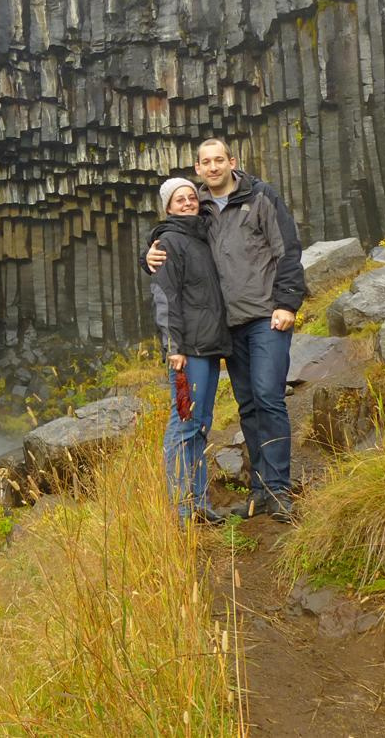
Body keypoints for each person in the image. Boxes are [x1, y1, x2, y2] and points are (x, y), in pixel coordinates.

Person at [145, 139, 306, 522]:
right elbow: (173, 239)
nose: (213, 166)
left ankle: (279, 489)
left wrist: (287, 303)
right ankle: (260, 491)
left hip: (266, 315)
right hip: (228, 326)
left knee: (268, 397)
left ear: (232, 162)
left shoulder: (260, 195)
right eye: (206, 162)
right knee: (248, 404)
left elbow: (288, 248)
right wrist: (146, 253)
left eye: (220, 159)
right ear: (198, 168)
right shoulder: (199, 209)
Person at [150, 176, 232, 527]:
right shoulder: (169, 240)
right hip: (188, 350)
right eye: (179, 200)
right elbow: (164, 297)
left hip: (208, 345)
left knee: (199, 426)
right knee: (184, 425)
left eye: (190, 197)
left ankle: (200, 505)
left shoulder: (201, 237)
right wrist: (174, 347)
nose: (187, 202)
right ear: (167, 208)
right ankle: (182, 510)